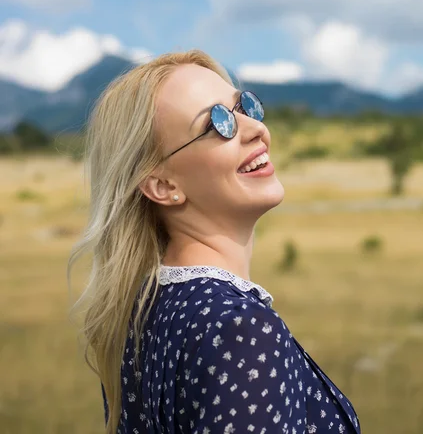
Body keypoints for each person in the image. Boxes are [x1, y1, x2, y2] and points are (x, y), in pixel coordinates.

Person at [67, 49, 362, 433]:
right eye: (217, 123)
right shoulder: (241, 329)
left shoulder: (140, 314)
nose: (255, 129)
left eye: (244, 107)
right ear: (162, 185)